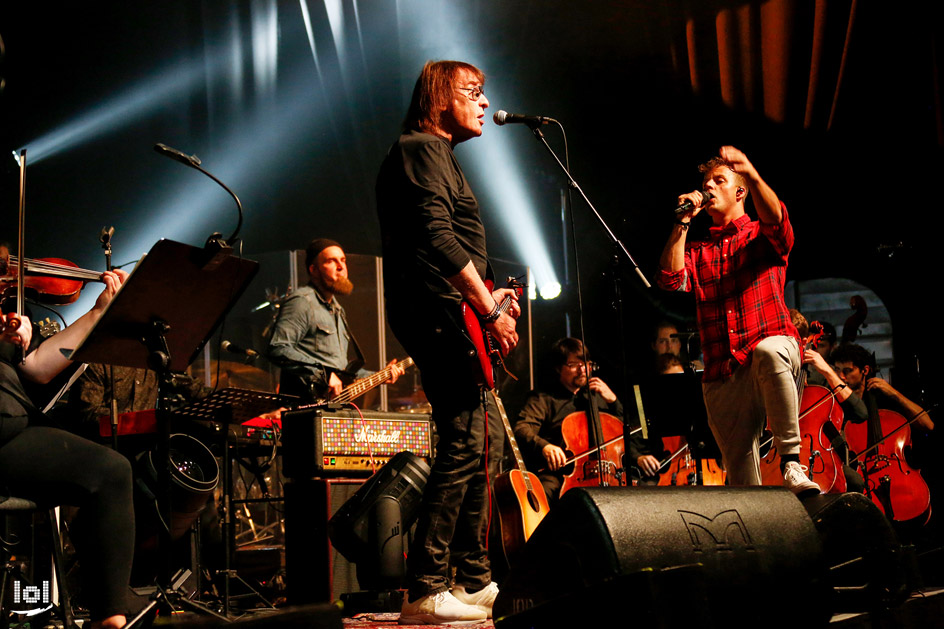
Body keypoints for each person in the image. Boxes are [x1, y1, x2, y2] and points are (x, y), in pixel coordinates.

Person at [376, 60, 519, 624]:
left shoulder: (440, 155)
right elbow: (435, 235)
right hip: (440, 313)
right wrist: (487, 306)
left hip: (455, 313)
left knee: (486, 445)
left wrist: (489, 304)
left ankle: (473, 577)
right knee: (463, 441)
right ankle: (425, 589)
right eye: (473, 92)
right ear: (440, 98)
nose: (484, 103)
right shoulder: (421, 148)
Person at [657, 146, 819, 495]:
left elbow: (778, 222)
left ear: (740, 191)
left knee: (768, 352)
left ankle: (791, 461)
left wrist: (755, 174)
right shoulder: (698, 252)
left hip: (771, 342)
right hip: (722, 369)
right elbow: (670, 280)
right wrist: (683, 220)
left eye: (719, 180)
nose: (709, 187)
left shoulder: (760, 235)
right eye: (705, 182)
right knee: (743, 484)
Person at [0, 270, 133, 629]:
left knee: (111, 470)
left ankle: (109, 618)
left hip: (12, 426)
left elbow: (40, 368)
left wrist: (97, 313)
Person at [267, 238, 403, 402]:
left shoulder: (338, 310)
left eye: (343, 260)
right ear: (314, 270)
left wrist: (380, 376)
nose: (341, 267)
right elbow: (278, 348)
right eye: (332, 261)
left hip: (330, 406)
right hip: (306, 406)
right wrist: (322, 375)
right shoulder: (302, 302)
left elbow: (340, 370)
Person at [513, 338, 625, 503]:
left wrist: (614, 401)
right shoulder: (543, 399)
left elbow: (623, 431)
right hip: (561, 473)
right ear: (559, 368)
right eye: (573, 365)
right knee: (543, 494)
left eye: (586, 364)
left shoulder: (598, 397)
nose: (582, 370)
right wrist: (546, 446)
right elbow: (522, 428)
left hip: (606, 472)